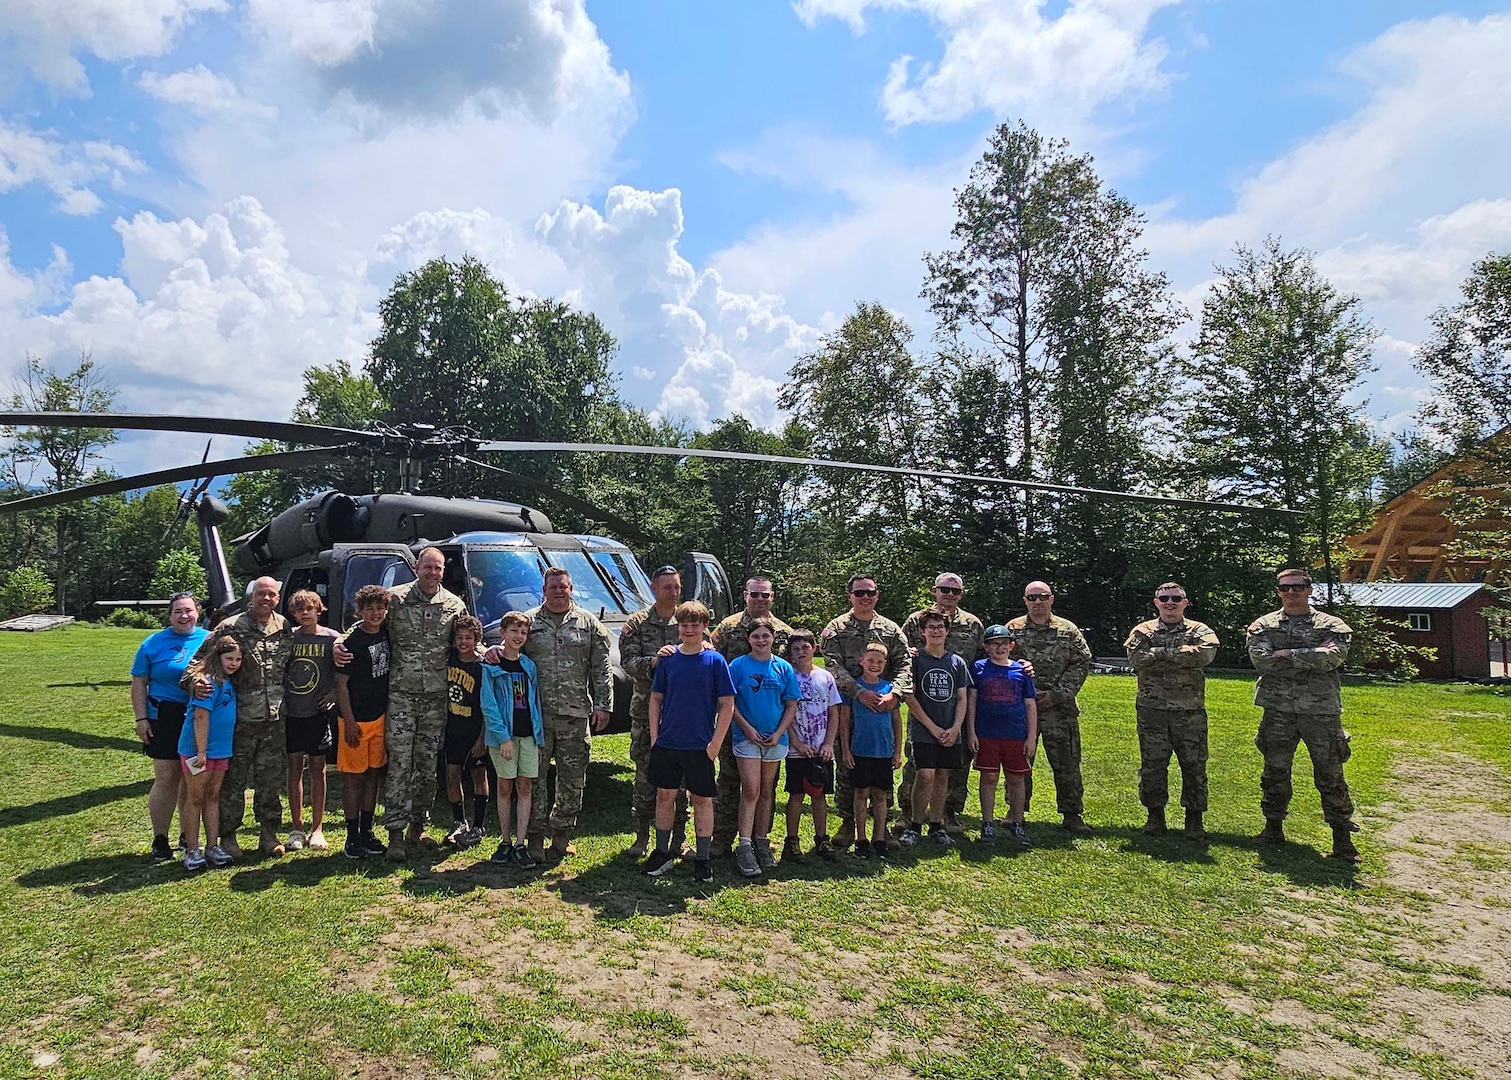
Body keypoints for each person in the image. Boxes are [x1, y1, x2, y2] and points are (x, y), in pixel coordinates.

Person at [1247, 569, 1360, 862]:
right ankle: (1273, 828)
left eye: (1297, 587)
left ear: (1309, 589)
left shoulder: (1331, 624)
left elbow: (1332, 658)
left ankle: (1342, 840)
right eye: (1285, 588)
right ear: (1278, 591)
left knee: (1330, 772)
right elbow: (1262, 661)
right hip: (1278, 709)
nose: (1291, 592)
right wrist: (1310, 653)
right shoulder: (1264, 624)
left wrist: (1286, 654)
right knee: (1275, 771)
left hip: (1320, 711)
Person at [187, 575, 292, 858]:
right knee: (234, 781)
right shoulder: (229, 628)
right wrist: (195, 683)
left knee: (270, 780)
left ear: (277, 599)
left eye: (271, 595)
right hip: (240, 718)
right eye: (261, 593)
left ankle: (269, 834)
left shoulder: (284, 627)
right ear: (251, 596)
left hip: (275, 718)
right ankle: (229, 835)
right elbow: (196, 664)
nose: (266, 599)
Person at [376, 547, 467, 861]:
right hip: (401, 695)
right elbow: (367, 625)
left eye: (438, 568)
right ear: (416, 567)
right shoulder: (394, 599)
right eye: (427, 567)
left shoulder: (455, 605)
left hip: (436, 698)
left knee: (428, 766)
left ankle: (419, 824)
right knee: (399, 764)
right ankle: (395, 834)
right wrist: (338, 643)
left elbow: (466, 642)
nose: (432, 573)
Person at [644, 600, 735, 884]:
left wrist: (715, 743)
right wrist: (656, 736)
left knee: (702, 800)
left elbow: (727, 705)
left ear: (705, 627)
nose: (690, 629)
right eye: (685, 625)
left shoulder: (715, 661)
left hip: (700, 745)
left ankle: (703, 859)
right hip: (668, 743)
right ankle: (661, 852)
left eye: (695, 625)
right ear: (678, 627)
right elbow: (656, 698)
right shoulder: (669, 659)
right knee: (665, 796)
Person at [820, 574, 912, 849]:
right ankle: (849, 823)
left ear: (877, 595)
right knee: (848, 766)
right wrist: (859, 692)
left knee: (883, 771)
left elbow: (905, 663)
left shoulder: (891, 629)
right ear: (850, 596)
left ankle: (882, 829)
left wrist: (894, 693)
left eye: (869, 592)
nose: (864, 597)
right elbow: (831, 665)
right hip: (849, 706)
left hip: (884, 706)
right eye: (859, 593)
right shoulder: (836, 628)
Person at [1125, 583, 1220, 839]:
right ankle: (1155, 817)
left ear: (1185, 602)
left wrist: (1158, 653)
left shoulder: (1199, 629)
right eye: (1164, 598)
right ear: (1156, 602)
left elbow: (1205, 655)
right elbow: (1136, 660)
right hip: (1152, 711)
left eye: (1175, 598)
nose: (1170, 603)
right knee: (1153, 765)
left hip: (1190, 712)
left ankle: (1194, 820)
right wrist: (1180, 655)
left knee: (1194, 766)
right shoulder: (1142, 630)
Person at [710, 576, 794, 855]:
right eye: (755, 595)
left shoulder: (784, 632)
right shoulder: (727, 628)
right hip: (733, 720)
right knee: (730, 780)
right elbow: (713, 666)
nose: (760, 600)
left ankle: (761, 840)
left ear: (772, 597)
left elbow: (791, 676)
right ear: (745, 595)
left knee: (765, 787)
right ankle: (722, 839)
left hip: (770, 723)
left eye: (765, 595)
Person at [1005, 581, 1094, 835]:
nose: (1037, 602)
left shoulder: (1068, 630)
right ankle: (1015, 810)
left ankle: (1072, 813)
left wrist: (1057, 694)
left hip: (1059, 708)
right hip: (1022, 707)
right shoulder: (1013, 629)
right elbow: (1002, 660)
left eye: (1042, 596)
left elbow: (1081, 663)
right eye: (1032, 597)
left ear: (1051, 599)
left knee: (1066, 762)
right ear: (1025, 600)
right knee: (1019, 760)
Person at [899, 573, 985, 830]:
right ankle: (908, 814)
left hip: (956, 703)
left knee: (955, 766)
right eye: (944, 589)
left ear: (961, 594)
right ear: (934, 590)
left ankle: (948, 813)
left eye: (955, 591)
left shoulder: (973, 624)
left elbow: (982, 659)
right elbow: (899, 652)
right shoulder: (916, 620)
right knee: (917, 762)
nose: (949, 594)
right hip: (923, 703)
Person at [619, 565, 692, 858]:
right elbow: (627, 662)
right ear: (653, 588)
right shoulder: (637, 623)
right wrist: (654, 662)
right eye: (667, 587)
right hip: (645, 713)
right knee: (646, 776)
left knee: (683, 779)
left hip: (683, 715)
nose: (672, 593)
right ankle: (642, 837)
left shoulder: (688, 620)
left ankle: (679, 839)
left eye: (676, 587)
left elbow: (705, 651)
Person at [130, 590, 208, 861]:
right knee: (166, 779)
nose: (184, 616)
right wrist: (141, 719)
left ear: (197, 612)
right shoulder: (152, 643)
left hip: (197, 716)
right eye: (178, 611)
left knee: (192, 778)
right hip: (163, 716)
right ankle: (160, 839)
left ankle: (188, 835)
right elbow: (139, 682)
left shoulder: (209, 640)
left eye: (189, 610)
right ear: (170, 615)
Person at [728, 618, 801, 877]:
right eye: (756, 636)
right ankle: (744, 845)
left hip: (775, 739)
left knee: (767, 791)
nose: (761, 640)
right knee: (750, 789)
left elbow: (791, 703)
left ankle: (762, 840)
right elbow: (730, 702)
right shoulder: (738, 666)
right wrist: (747, 728)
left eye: (765, 636)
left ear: (773, 638)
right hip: (746, 738)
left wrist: (780, 732)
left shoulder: (783, 668)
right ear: (749, 639)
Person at [897, 611, 972, 847]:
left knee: (942, 776)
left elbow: (962, 698)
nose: (936, 631)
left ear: (947, 631)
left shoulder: (957, 662)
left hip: (951, 731)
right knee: (925, 774)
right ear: (922, 632)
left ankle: (937, 825)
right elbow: (910, 697)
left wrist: (955, 728)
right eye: (931, 627)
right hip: (924, 730)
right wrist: (931, 727)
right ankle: (915, 825)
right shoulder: (917, 660)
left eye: (940, 627)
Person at [480, 611, 545, 868]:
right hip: (502, 738)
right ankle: (505, 840)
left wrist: (538, 739)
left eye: (523, 632)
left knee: (525, 786)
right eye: (514, 631)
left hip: (527, 735)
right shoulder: (491, 667)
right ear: (502, 634)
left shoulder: (529, 666)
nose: (519, 636)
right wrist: (503, 738)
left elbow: (535, 703)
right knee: (505, 786)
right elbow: (488, 705)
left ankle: (520, 843)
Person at [966, 625, 1037, 846]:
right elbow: (972, 702)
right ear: (986, 647)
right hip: (987, 733)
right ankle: (987, 822)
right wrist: (971, 732)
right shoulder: (978, 668)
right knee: (988, 777)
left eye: (1004, 643)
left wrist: (1031, 738)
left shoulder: (1021, 671)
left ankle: (1017, 821)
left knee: (1016, 778)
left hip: (1015, 734)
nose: (1000, 648)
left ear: (1011, 646)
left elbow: (1030, 705)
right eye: (994, 644)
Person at [334, 585, 391, 860]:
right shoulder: (351, 642)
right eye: (369, 608)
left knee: (373, 776)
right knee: (353, 779)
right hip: (355, 720)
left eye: (380, 608)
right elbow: (341, 685)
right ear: (360, 611)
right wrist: (350, 721)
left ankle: (367, 830)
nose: (376, 613)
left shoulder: (387, 633)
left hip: (380, 717)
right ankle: (352, 835)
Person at [178, 632, 242, 871]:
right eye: (229, 659)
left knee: (213, 796)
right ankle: (192, 849)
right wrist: (201, 752)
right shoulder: (206, 682)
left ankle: (212, 846)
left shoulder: (227, 681)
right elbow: (201, 717)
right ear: (218, 657)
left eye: (237, 659)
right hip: (199, 751)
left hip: (221, 751)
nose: (234, 663)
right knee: (195, 797)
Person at [282, 589, 339, 852]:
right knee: (294, 769)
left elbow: (347, 671)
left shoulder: (332, 639)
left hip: (318, 713)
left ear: (319, 609)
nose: (306, 613)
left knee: (318, 770)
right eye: (300, 610)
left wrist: (335, 692)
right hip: (292, 712)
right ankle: (297, 827)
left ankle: (318, 829)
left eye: (310, 608)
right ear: (293, 614)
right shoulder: (287, 638)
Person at [839, 643, 902, 860]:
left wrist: (897, 751)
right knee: (861, 794)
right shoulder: (853, 688)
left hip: (883, 751)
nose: (874, 665)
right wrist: (846, 749)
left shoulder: (889, 689)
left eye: (879, 662)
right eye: (870, 660)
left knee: (880, 795)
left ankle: (879, 839)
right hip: (860, 750)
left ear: (885, 665)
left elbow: (897, 722)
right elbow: (845, 720)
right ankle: (861, 839)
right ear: (861, 661)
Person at [782, 629, 840, 862]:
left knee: (819, 795)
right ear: (790, 654)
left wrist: (829, 743)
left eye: (805, 647)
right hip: (797, 749)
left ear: (814, 648)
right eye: (796, 649)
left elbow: (834, 712)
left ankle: (822, 839)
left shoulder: (825, 677)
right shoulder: (788, 677)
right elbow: (784, 713)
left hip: (821, 749)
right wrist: (796, 742)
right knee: (796, 794)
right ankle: (792, 841)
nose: (801, 652)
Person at [442, 615, 490, 848]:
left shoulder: (482, 667)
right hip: (453, 729)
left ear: (476, 639)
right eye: (459, 637)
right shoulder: (448, 659)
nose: (463, 642)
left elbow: (487, 707)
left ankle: (479, 824)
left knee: (478, 776)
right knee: (452, 775)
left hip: (475, 730)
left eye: (468, 638)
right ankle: (459, 821)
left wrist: (482, 738)